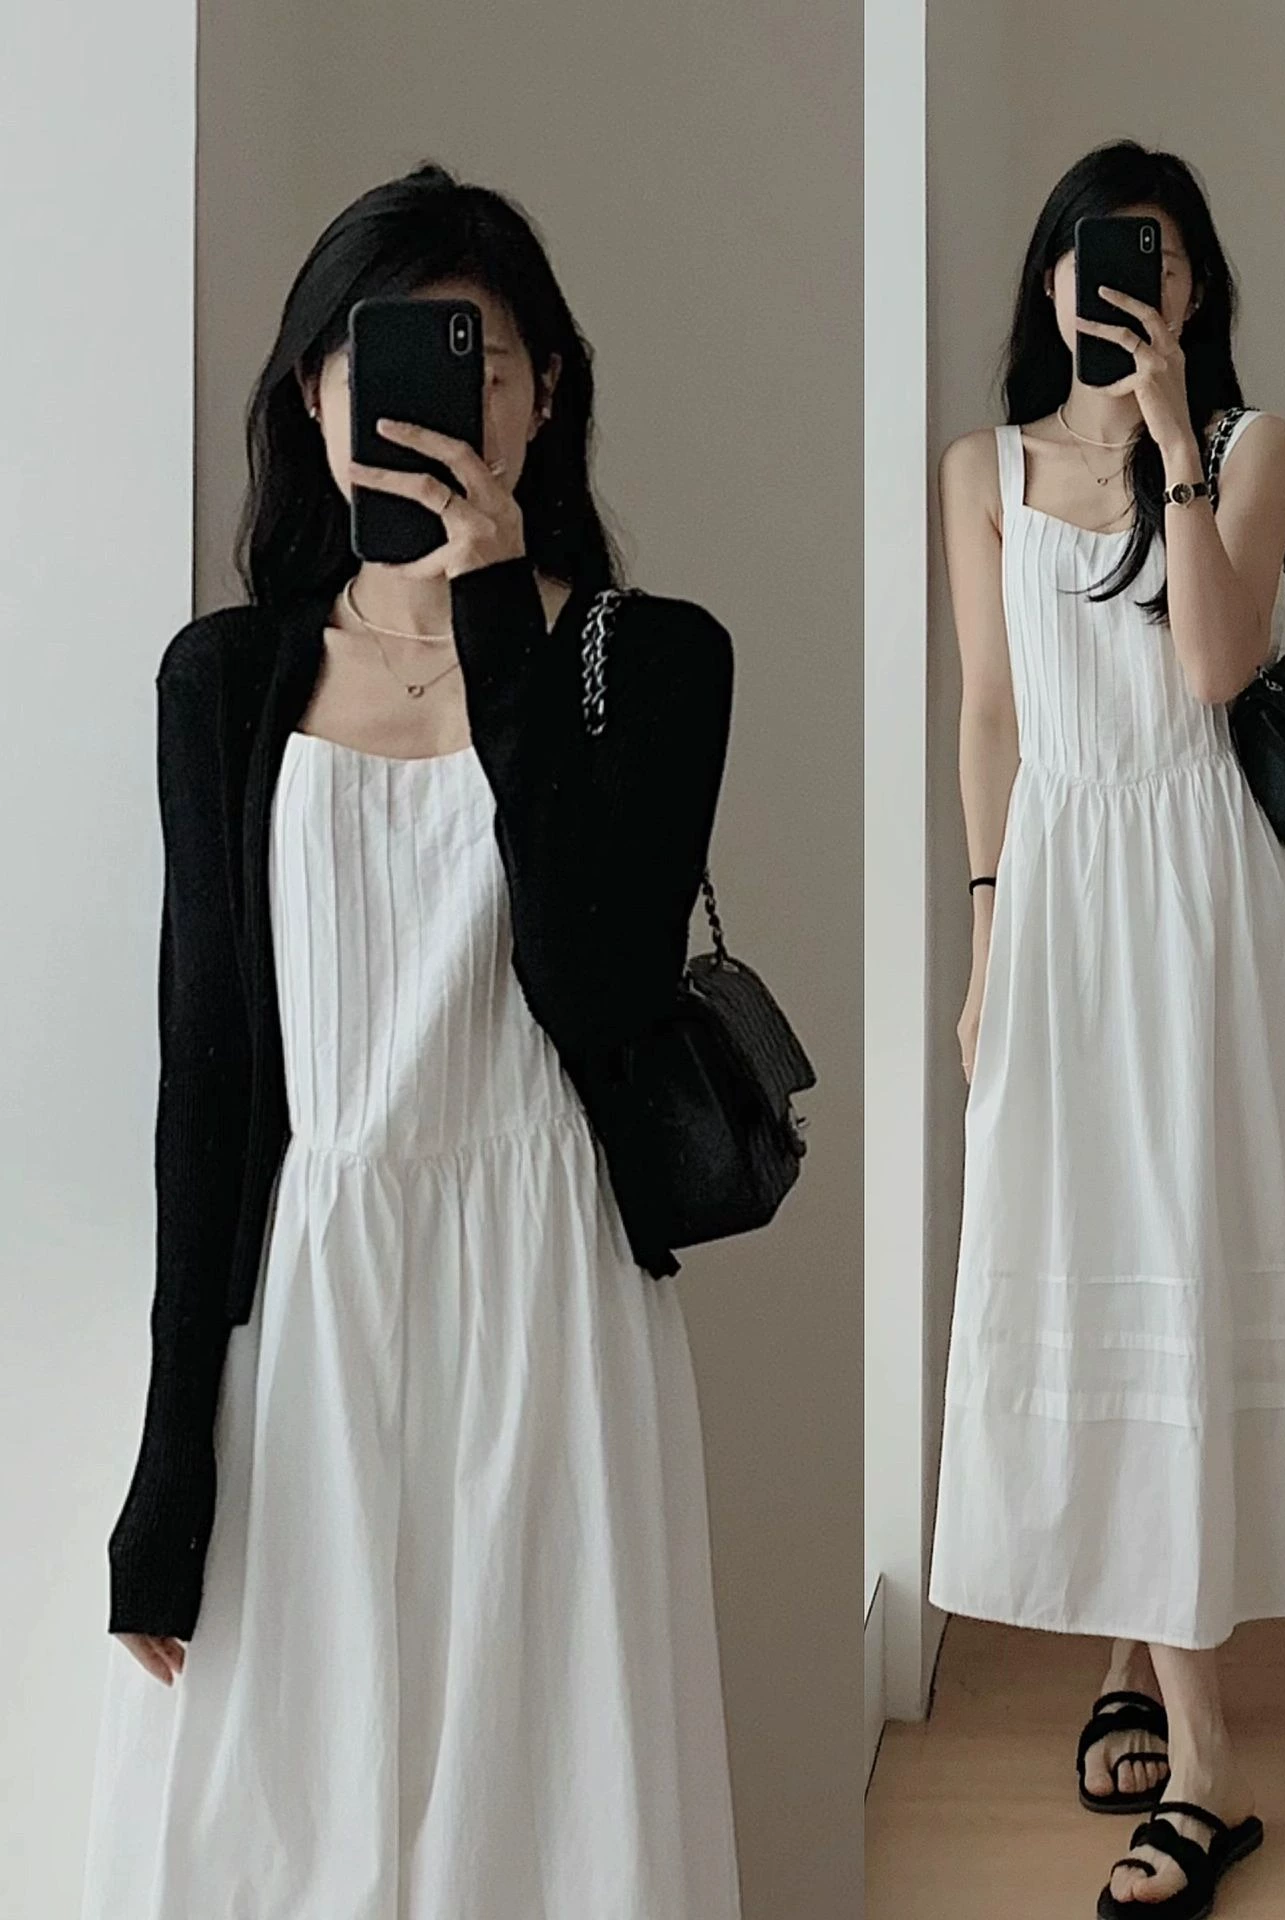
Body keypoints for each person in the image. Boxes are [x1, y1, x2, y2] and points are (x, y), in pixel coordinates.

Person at [80, 159, 743, 1917]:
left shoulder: (652, 661)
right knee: (277, 1830)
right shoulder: (227, 679)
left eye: (482, 363)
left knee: (539, 1820)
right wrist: (167, 1461)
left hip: (551, 1304)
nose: (433, 406)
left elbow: (598, 986)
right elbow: (207, 1081)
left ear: (545, 394)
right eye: (374, 361)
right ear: (312, 394)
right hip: (301, 1308)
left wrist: (499, 615)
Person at [926, 140, 1285, 1919]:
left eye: (1157, 256)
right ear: (1049, 278)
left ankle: (1206, 1764)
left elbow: (1212, 667)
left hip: (1207, 907)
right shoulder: (979, 471)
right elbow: (990, 713)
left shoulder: (1251, 446)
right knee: (1095, 1265)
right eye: (1091, 251)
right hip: (1063, 902)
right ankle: (1134, 1663)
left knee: (1183, 1273)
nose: (1120, 279)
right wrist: (987, 930)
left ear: (1195, 287)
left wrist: (1172, 434)